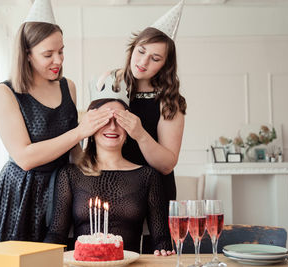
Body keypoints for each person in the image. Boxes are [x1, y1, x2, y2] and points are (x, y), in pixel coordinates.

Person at [0, 0, 113, 243]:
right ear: (27, 54)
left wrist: (100, 167)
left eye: (61, 51)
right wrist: (80, 131)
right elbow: (25, 158)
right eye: (48, 54)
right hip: (23, 194)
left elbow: (74, 152)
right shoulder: (5, 93)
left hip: (63, 190)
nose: (58, 60)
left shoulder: (68, 87)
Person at [100, 1, 187, 252]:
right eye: (141, 51)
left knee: (154, 254)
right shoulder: (110, 83)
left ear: (165, 65)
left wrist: (139, 134)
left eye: (155, 58)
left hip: (156, 195)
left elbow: (166, 163)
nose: (143, 61)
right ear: (133, 47)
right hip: (116, 187)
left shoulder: (170, 102)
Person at [44, 97, 172, 256]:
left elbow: (161, 238)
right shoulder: (70, 174)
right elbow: (56, 234)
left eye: (120, 121)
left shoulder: (148, 176)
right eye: (104, 120)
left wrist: (165, 252)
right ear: (90, 128)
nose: (112, 127)